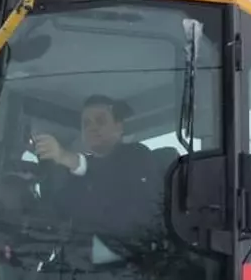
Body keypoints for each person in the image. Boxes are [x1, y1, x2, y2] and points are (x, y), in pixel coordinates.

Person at [31, 94, 163, 261]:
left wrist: (67, 158)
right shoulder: (78, 176)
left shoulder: (137, 156)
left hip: (126, 268)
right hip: (75, 271)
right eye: (86, 124)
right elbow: (60, 210)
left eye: (100, 121)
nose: (92, 128)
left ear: (119, 127)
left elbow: (125, 203)